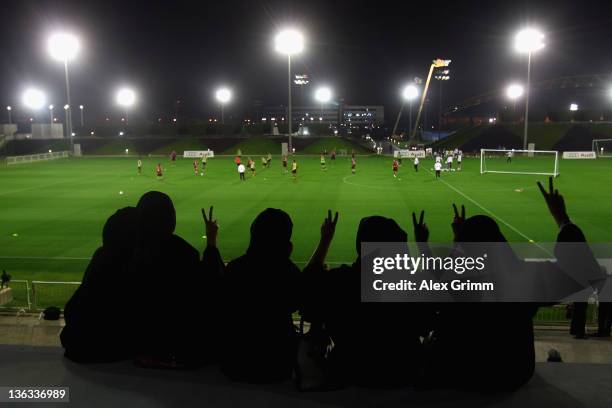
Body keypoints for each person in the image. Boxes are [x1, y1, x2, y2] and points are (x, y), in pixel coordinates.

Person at [419, 177, 603, 391]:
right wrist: (561, 217)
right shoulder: (524, 276)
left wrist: (451, 243)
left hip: (456, 372)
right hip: (511, 374)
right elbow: (582, 273)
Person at [302, 212, 428, 388]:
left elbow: (306, 288)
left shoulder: (340, 281)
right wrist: (423, 246)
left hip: (346, 374)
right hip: (403, 376)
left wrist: (325, 240)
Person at [129, 191, 214, 367]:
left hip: (134, 347)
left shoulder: (127, 253)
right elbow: (210, 294)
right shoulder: (185, 254)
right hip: (179, 350)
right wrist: (211, 243)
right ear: (171, 219)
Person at [219, 208, 302, 383]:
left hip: (235, 365)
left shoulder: (234, 269)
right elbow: (307, 305)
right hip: (277, 367)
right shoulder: (287, 273)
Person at [61, 207, 139, 363]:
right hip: (115, 354)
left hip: (81, 351)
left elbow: (72, 311)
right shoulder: (135, 265)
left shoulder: (101, 258)